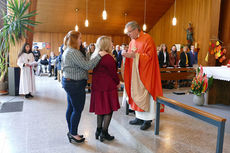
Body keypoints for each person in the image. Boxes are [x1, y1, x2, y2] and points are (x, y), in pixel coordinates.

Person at [61, 30, 106, 143]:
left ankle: (71, 131)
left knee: (71, 108)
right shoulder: (73, 52)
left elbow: (84, 61)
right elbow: (87, 65)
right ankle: (73, 133)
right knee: (77, 109)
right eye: (80, 38)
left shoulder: (70, 50)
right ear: (75, 40)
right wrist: (99, 56)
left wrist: (85, 51)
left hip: (70, 82)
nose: (81, 40)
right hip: (75, 84)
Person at [122, 21, 163, 130]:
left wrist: (135, 56)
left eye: (130, 32)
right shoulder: (132, 42)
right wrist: (127, 56)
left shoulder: (147, 39)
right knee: (135, 93)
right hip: (135, 74)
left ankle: (147, 120)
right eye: (128, 32)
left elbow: (150, 57)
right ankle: (138, 117)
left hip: (145, 73)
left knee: (145, 95)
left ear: (136, 30)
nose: (128, 34)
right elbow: (132, 56)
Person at [89, 36, 120, 142]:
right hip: (108, 87)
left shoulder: (95, 56)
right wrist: (118, 82)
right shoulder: (108, 58)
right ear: (106, 44)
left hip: (97, 86)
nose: (112, 44)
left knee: (100, 109)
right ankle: (104, 132)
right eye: (111, 42)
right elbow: (113, 73)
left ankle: (98, 130)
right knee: (109, 110)